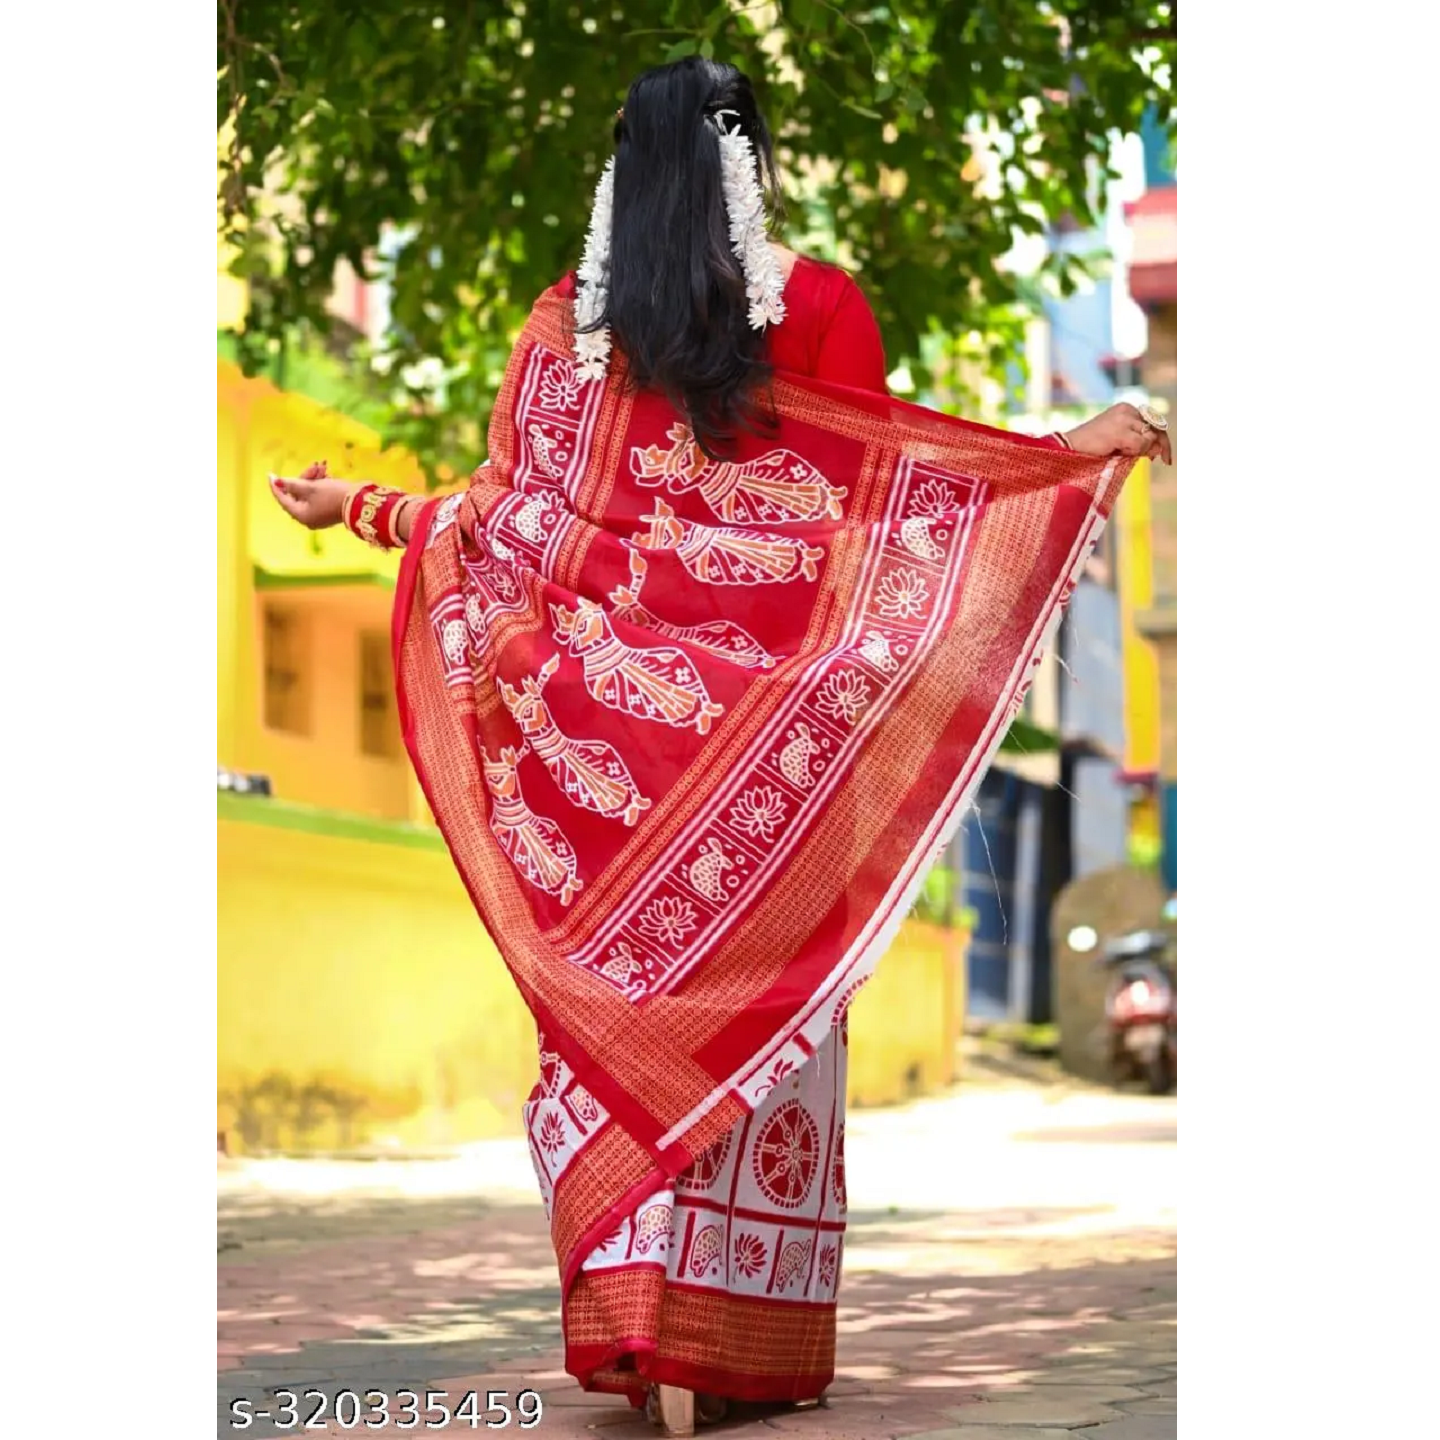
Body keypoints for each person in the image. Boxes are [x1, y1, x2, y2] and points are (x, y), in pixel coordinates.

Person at [269, 57, 1170, 1431]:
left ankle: (641, 1336)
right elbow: (885, 517)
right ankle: (728, 1347)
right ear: (761, 159)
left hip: (609, 782)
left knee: (616, 1034)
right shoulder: (817, 307)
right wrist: (1060, 455)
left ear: (625, 170)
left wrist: (361, 513)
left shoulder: (566, 332)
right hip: (769, 778)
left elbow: (503, 527)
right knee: (758, 1047)